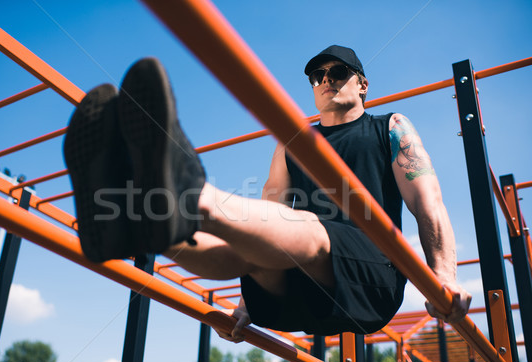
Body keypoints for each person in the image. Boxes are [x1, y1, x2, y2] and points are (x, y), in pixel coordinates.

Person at [64, 45, 471, 342]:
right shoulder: (294, 142)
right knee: (252, 244)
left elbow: (427, 203)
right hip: (293, 298)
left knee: (311, 230)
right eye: (318, 76)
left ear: (362, 84)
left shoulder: (390, 126)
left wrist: (443, 278)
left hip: (371, 283)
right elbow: (267, 216)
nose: (326, 80)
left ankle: (187, 194)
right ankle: (136, 224)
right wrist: (246, 304)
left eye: (338, 72)